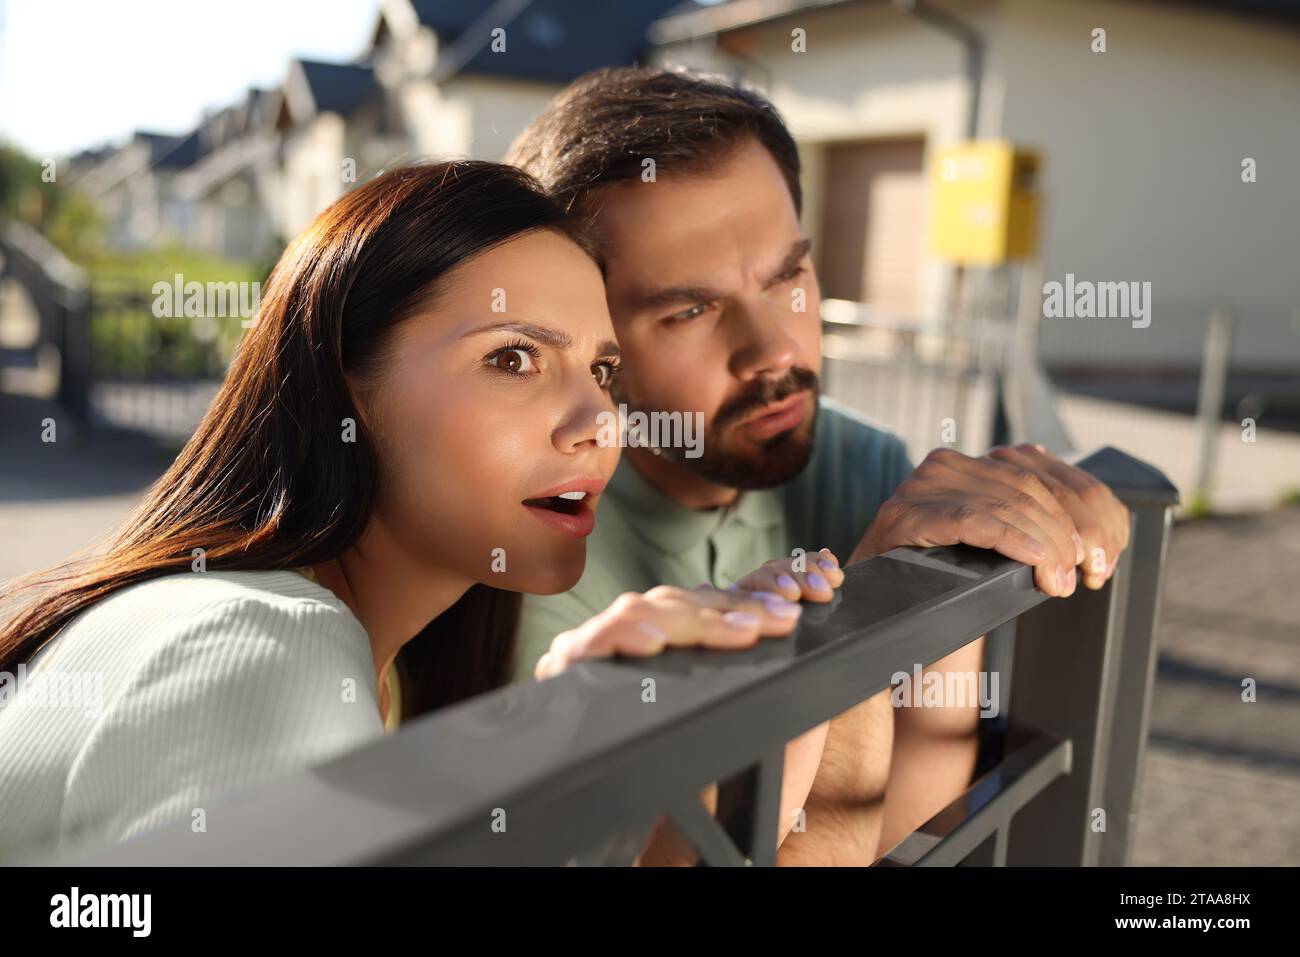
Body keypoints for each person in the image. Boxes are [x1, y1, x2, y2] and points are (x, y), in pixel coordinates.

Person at [0, 161, 829, 861]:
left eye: (602, 373)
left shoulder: (384, 666)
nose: (600, 422)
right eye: (513, 357)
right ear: (344, 388)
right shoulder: (267, 646)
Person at [505, 67, 1131, 863]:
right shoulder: (532, 554)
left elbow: (918, 836)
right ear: (586, 339)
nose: (775, 351)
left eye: (788, 276)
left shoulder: (863, 462)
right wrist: (864, 625)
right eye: (690, 310)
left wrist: (955, 561)